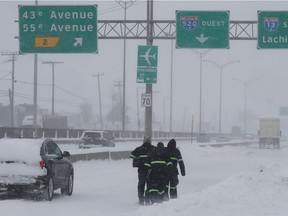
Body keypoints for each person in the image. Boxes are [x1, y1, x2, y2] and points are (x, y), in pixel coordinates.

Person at [130, 136, 156, 205]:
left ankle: (141, 199)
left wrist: (140, 160)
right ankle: (147, 199)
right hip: (151, 170)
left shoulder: (139, 149)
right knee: (149, 185)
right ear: (150, 141)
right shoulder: (154, 148)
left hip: (142, 170)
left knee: (141, 184)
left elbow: (131, 155)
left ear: (143, 141)